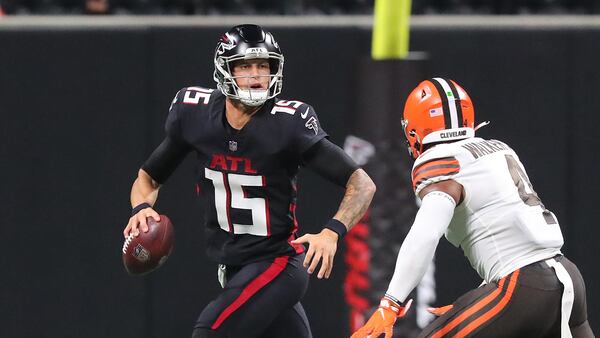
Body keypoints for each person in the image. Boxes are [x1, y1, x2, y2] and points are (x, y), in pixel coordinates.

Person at [123, 24, 376, 338]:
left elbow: (362, 183)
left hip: (279, 263)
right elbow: (147, 178)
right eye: (245, 66)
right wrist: (141, 208)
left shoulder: (288, 124)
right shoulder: (194, 116)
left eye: (263, 66)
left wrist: (333, 232)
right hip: (234, 269)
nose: (256, 75)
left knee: (210, 331)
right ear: (224, 70)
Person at [351, 78, 594, 338]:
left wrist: (391, 303)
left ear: (414, 131)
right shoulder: (499, 149)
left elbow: (425, 234)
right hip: (566, 277)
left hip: (521, 287)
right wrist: (481, 300)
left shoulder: (440, 162)